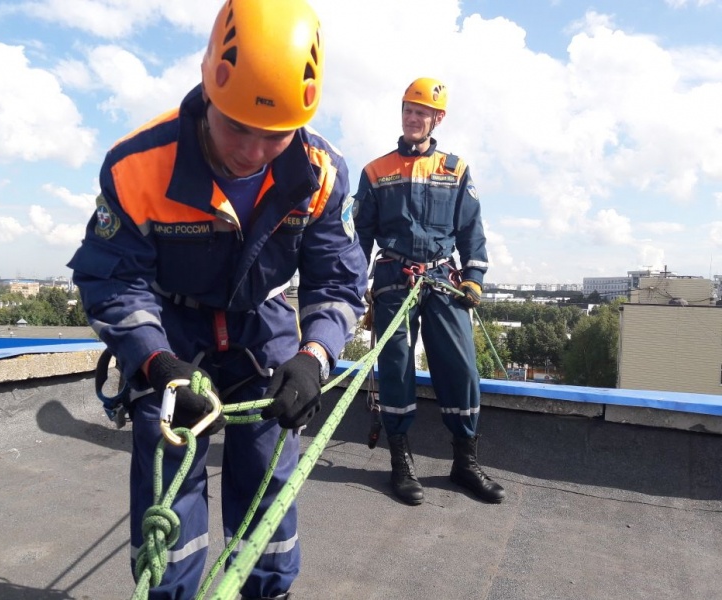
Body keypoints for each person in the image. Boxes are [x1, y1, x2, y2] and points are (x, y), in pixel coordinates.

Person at [67, 0, 367, 597]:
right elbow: (113, 279)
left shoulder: (321, 173)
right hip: (173, 337)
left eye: (275, 136)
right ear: (209, 90)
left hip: (265, 331)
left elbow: (335, 280)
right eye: (237, 128)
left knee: (269, 491)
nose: (254, 152)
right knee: (170, 497)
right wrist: (157, 363)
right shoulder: (137, 167)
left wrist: (315, 357)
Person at [353, 77, 505, 506]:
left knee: (461, 368)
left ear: (437, 118)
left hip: (442, 281)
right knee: (397, 369)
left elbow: (472, 230)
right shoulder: (375, 171)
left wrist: (473, 279)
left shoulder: (455, 170)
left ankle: (464, 463)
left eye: (422, 112)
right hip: (393, 282)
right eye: (408, 109)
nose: (413, 118)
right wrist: (350, 287)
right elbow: (360, 237)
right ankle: (401, 464)